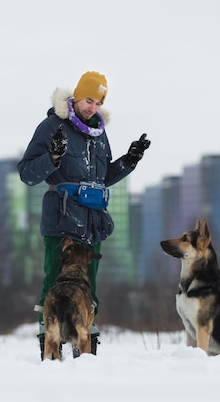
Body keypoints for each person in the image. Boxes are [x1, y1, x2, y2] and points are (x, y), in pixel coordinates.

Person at [17, 71, 150, 356]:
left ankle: (87, 346)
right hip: (62, 222)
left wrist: (129, 161)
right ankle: (49, 345)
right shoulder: (53, 126)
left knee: (89, 288)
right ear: (77, 96)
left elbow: (102, 178)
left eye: (98, 103)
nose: (93, 108)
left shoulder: (98, 134)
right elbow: (27, 173)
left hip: (93, 224)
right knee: (54, 284)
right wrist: (51, 158)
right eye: (89, 100)